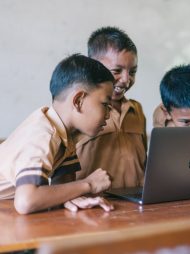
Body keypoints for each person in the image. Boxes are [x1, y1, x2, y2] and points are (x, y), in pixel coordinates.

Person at [0, 54, 114, 214]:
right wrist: (88, 184)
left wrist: (72, 195)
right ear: (78, 101)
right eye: (105, 104)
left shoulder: (66, 133)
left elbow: (62, 185)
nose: (109, 114)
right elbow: (26, 201)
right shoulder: (43, 134)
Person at [76, 27, 147, 188]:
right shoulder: (77, 112)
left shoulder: (136, 110)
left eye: (133, 72)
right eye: (117, 70)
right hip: (93, 205)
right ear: (92, 66)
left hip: (136, 206)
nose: (126, 80)